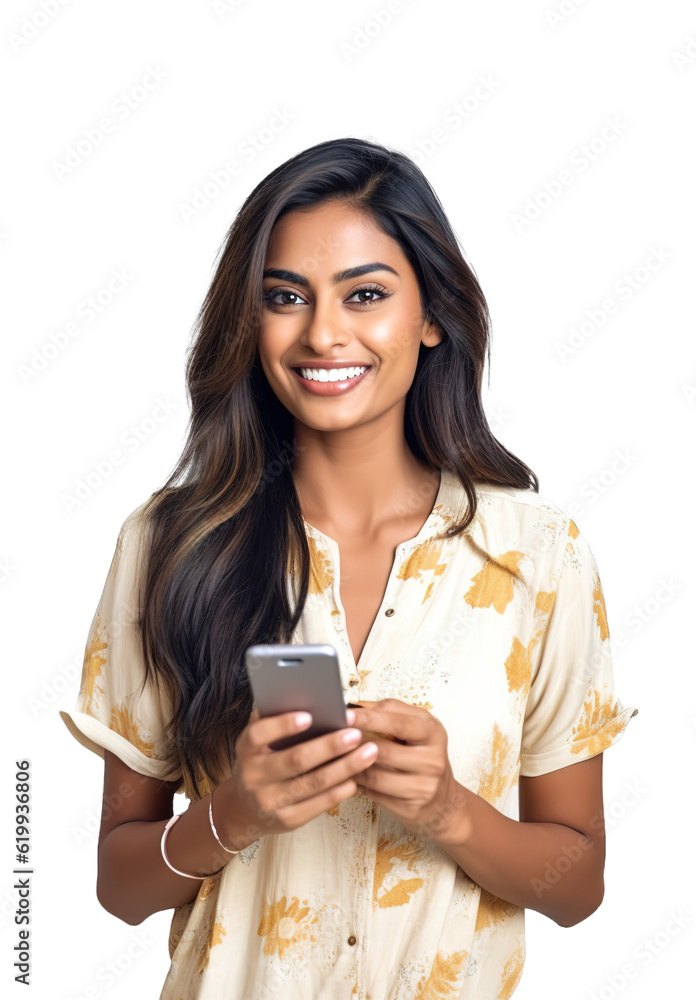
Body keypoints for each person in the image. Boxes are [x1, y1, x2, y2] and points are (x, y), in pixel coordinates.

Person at [59, 136, 638, 999]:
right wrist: (235, 814)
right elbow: (120, 885)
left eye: (365, 294)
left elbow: (577, 889)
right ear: (249, 323)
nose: (323, 333)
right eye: (284, 298)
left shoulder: (538, 555)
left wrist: (450, 810)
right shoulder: (168, 544)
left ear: (431, 317)